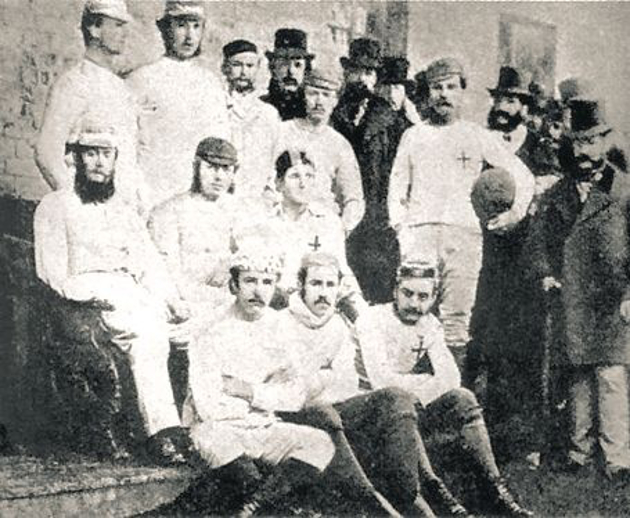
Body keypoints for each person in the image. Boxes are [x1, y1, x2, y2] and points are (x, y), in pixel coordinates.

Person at [33, 117, 191, 466]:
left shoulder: (124, 212)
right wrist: (86, 297)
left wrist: (172, 300)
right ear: (74, 158)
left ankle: (192, 429)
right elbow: (51, 270)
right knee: (149, 336)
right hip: (87, 298)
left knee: (186, 333)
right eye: (91, 153)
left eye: (106, 154)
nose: (99, 162)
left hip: (132, 294)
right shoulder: (55, 205)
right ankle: (162, 434)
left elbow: (150, 264)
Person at [284, 252, 475, 517]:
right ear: (301, 286)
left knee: (435, 398)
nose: (323, 293)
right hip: (301, 410)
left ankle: (452, 493)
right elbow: (293, 383)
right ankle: (399, 502)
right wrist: (322, 380)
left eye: (330, 285)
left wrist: (326, 380)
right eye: (316, 284)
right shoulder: (281, 322)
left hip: (346, 405)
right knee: (392, 400)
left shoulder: (339, 324)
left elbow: (346, 380)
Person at [356, 260, 533, 516]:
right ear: (395, 290)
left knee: (463, 398)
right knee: (400, 400)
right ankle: (436, 492)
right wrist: (424, 383)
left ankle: (495, 490)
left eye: (423, 297)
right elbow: (380, 380)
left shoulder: (430, 325)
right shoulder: (372, 319)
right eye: (408, 293)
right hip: (368, 408)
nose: (414, 303)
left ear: (433, 298)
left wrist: (416, 389)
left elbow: (451, 378)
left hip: (406, 405)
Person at [388, 57, 535, 352]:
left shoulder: (476, 135)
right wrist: (403, 231)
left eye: (451, 87)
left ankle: (452, 381)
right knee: (414, 314)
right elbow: (397, 188)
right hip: (420, 235)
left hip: (464, 237)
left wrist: (514, 213)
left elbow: (523, 175)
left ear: (462, 91)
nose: (444, 94)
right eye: (437, 88)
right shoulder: (413, 136)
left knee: (456, 321)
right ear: (428, 93)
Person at [183, 248, 334, 516]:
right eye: (250, 281)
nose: (258, 290)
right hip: (219, 429)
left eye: (267, 282)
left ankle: (254, 506)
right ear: (234, 285)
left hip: (264, 425)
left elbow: (295, 397)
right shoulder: (210, 327)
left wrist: (249, 391)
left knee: (320, 443)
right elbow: (209, 406)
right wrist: (269, 390)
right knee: (225, 452)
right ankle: (266, 507)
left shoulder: (281, 327)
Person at [529, 98, 630, 483]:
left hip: (612, 299)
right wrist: (545, 274)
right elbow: (538, 243)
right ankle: (579, 451)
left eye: (591, 141)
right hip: (573, 298)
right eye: (577, 142)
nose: (583, 150)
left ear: (605, 142)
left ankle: (618, 458)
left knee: (611, 376)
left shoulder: (624, 191)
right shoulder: (557, 194)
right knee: (579, 376)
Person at [35, 0, 143, 206]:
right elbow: (47, 152)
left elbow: (128, 156)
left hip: (122, 209)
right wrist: (77, 203)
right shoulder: (73, 83)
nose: (125, 33)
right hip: (89, 208)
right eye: (117, 25)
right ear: (94, 28)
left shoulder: (121, 88)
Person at [127, 0, 229, 207]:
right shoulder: (140, 80)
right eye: (181, 25)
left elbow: (222, 143)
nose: (189, 36)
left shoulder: (211, 84)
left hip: (199, 197)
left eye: (196, 26)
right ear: (165, 28)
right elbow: (126, 144)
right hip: (153, 192)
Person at [148, 137, 241, 328]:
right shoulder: (168, 212)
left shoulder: (237, 212)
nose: (219, 177)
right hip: (184, 306)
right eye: (211, 167)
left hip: (230, 305)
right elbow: (165, 274)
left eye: (226, 169)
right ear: (196, 167)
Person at [346, 56, 417, 304]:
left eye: (399, 88)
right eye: (388, 87)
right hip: (374, 213)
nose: (392, 94)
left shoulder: (406, 126)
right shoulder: (378, 121)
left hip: (389, 215)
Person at [278, 68, 365, 234]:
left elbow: (354, 198)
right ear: (304, 96)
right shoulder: (281, 132)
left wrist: (340, 230)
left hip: (322, 229)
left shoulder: (339, 144)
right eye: (313, 94)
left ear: (335, 101)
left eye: (326, 95)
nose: (319, 102)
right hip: (284, 227)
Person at [221, 39, 281, 204]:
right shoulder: (216, 107)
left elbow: (274, 160)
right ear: (225, 67)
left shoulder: (268, 114)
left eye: (249, 66)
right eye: (237, 65)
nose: (243, 72)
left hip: (256, 199)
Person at [260, 28, 314, 121]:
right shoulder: (260, 108)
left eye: (297, 65)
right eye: (283, 65)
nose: (290, 71)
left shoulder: (315, 111)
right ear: (273, 68)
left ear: (306, 71)